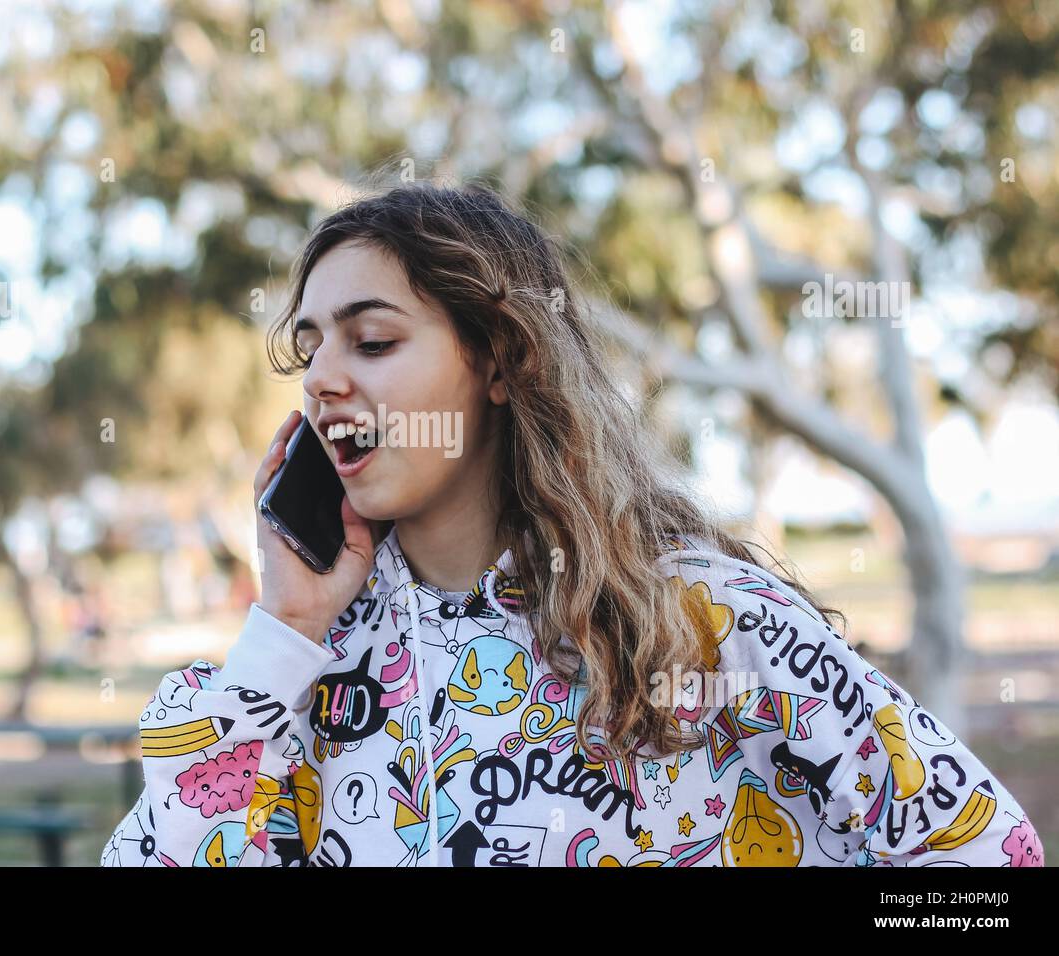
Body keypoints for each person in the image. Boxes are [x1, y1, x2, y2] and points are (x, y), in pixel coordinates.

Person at [101, 180, 1043, 867]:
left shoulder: (705, 623)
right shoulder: (302, 669)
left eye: (374, 339)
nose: (322, 378)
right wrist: (288, 630)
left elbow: (985, 860)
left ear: (502, 361)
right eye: (310, 348)